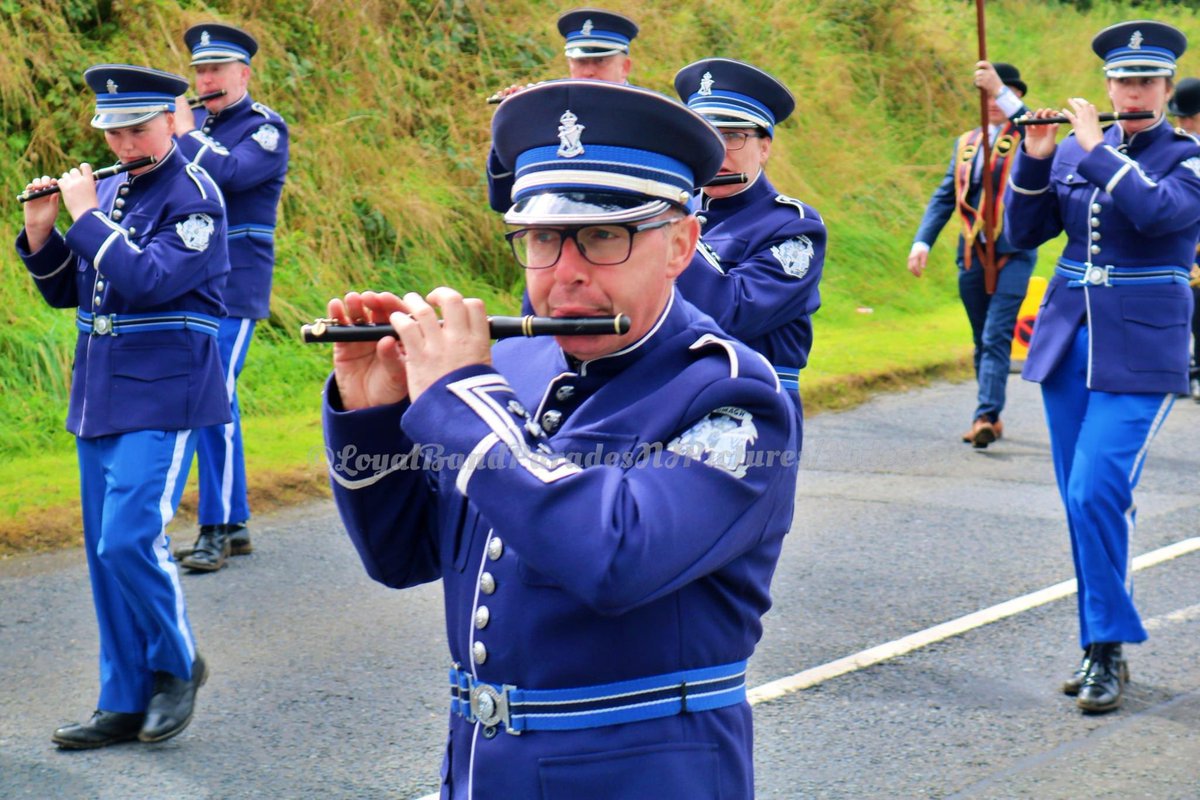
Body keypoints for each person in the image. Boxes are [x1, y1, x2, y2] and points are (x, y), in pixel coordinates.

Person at [322, 80, 798, 797]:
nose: (566, 272)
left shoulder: (732, 397)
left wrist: (461, 400)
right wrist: (373, 413)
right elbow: (403, 556)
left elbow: (615, 557)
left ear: (680, 245)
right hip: (483, 773)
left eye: (604, 236)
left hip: (644, 777)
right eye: (544, 238)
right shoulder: (509, 370)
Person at [15, 64, 225, 747]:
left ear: (171, 119)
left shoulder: (195, 198)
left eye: (137, 129)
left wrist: (86, 217)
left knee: (130, 538)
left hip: (164, 390)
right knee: (103, 557)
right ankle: (123, 698)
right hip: (99, 389)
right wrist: (45, 234)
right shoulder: (109, 191)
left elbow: (149, 279)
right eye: (113, 131)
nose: (124, 144)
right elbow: (71, 293)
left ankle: (176, 664)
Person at [1005, 20, 1200, 713]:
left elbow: (1155, 216)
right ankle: (1098, 644)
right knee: (1081, 498)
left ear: (1167, 88)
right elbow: (1020, 236)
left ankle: (1107, 647)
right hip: (1068, 340)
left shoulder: (1187, 156)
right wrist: (1034, 160)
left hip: (1143, 345)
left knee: (1095, 490)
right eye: (1121, 79)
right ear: (1105, 84)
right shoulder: (1076, 153)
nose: (1131, 90)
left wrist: (1092, 151)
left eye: (1145, 80)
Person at [171, 23, 289, 571]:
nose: (207, 79)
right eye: (200, 71)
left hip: (237, 282)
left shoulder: (264, 129)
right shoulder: (198, 129)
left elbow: (233, 173)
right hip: (194, 280)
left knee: (208, 394)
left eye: (216, 70)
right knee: (220, 397)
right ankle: (236, 520)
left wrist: (184, 130)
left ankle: (215, 526)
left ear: (244, 73)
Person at [672, 58, 825, 422]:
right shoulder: (673, 211)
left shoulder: (794, 226)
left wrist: (671, 225)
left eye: (732, 136)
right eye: (705, 137)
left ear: (765, 146)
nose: (716, 151)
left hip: (751, 407)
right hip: (668, 397)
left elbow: (729, 312)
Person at [909, 61, 1038, 448]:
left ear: (1015, 96)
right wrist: (922, 242)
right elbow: (945, 195)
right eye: (987, 94)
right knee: (981, 338)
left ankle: (985, 414)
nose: (994, 102)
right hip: (971, 252)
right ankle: (991, 414)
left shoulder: (1029, 135)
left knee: (997, 335)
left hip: (1013, 252)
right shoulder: (966, 143)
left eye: (1002, 93)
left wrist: (1000, 89)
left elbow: (1032, 126)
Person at [486, 7, 637, 212]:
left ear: (625, 67)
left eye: (601, 61)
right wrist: (512, 116)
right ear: (569, 62)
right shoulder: (547, 107)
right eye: (580, 61)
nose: (588, 72)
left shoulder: (645, 115)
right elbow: (502, 199)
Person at [1166, 76, 1200, 401]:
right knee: (1181, 311)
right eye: (1180, 117)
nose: (1185, 124)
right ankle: (1180, 371)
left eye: (1191, 117)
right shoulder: (1176, 150)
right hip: (1184, 248)